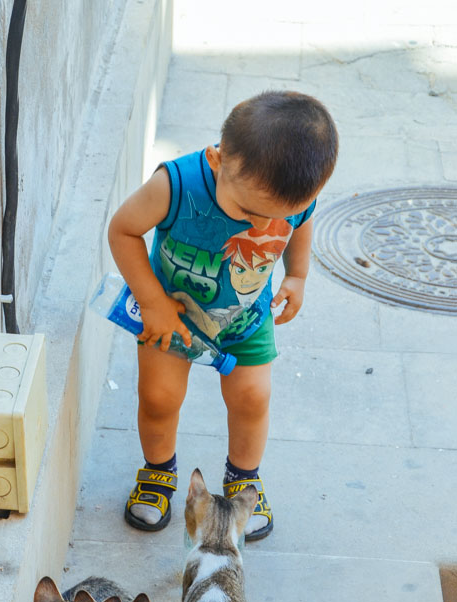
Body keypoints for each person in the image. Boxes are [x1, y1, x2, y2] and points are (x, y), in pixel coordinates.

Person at [108, 90, 338, 538]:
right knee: (158, 397)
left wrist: (298, 275)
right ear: (217, 161)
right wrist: (152, 302)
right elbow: (122, 230)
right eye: (248, 211)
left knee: (252, 398)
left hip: (246, 320)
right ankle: (158, 473)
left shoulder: (293, 197)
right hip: (172, 317)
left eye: (279, 216)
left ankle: (243, 481)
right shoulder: (176, 185)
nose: (261, 226)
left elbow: (303, 220)